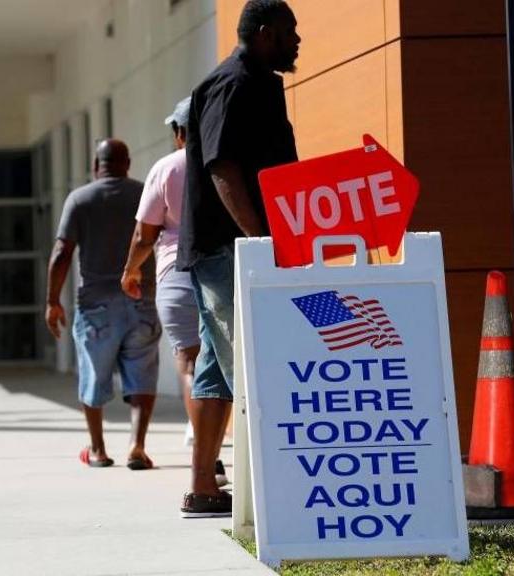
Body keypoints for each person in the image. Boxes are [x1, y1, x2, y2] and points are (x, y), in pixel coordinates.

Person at [176, 0, 300, 517]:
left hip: (239, 248)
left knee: (215, 367)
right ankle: (275, 489)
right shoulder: (234, 83)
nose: (299, 41)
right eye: (292, 32)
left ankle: (204, 487)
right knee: (249, 363)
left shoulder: (259, 82)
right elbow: (222, 167)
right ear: (267, 33)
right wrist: (259, 241)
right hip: (231, 249)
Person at [121, 97, 232, 487]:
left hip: (177, 273)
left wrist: (131, 271)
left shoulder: (167, 168)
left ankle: (206, 459)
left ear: (180, 133)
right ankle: (212, 456)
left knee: (190, 363)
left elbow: (144, 234)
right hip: (225, 274)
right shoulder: (226, 164)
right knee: (222, 365)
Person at [46, 139, 162, 470]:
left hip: (96, 305)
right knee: (142, 373)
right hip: (141, 299)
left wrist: (53, 301)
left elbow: (61, 253)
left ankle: (97, 449)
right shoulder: (144, 194)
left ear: (97, 166)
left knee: (92, 375)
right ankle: (137, 446)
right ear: (126, 163)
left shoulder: (80, 199)